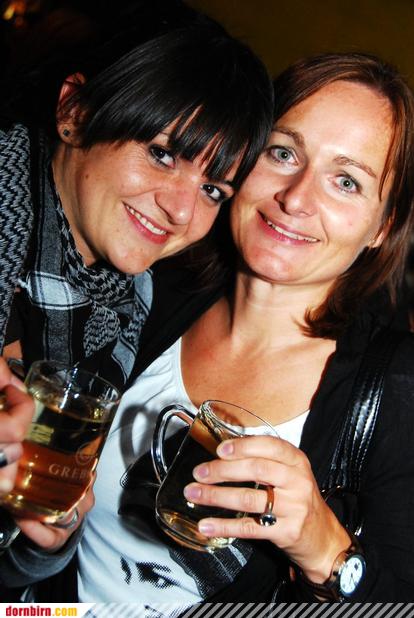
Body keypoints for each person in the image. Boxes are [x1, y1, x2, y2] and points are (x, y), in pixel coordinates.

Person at [3, 50, 414, 608]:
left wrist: (327, 550)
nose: (296, 198)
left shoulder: (397, 389)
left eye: (346, 181)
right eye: (283, 153)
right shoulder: (142, 290)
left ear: (383, 226)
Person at [0, 19, 273, 575]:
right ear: (76, 112)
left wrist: (47, 539)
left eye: (212, 190)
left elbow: (28, 575)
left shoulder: (131, 307)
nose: (181, 210)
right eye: (162, 154)